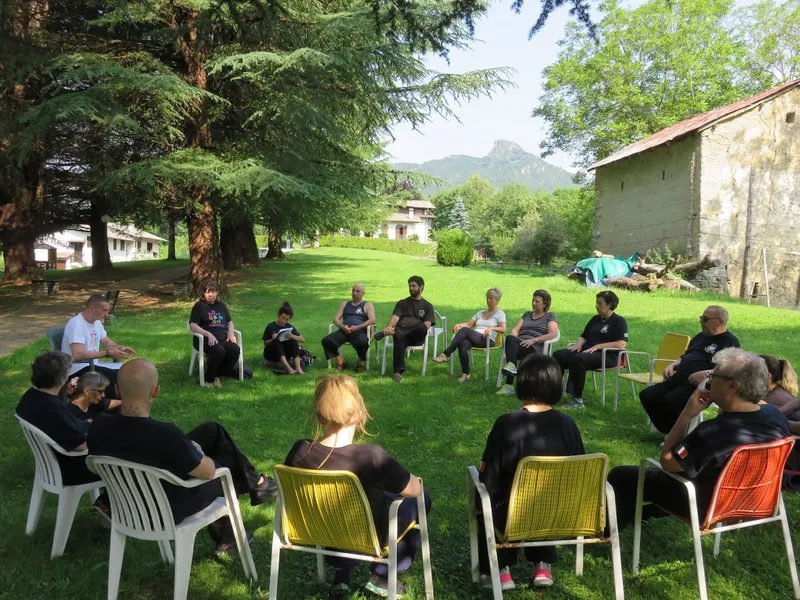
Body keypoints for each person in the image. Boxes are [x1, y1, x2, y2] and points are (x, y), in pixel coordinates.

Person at [86, 359, 278, 552]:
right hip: (163, 507)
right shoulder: (165, 435)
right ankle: (240, 515)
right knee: (223, 467)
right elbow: (208, 472)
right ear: (155, 392)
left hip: (126, 496)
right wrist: (198, 453)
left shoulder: (97, 427)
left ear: (118, 390)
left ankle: (254, 490)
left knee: (211, 431)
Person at [607, 348, 790, 532]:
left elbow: (668, 462)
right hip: (757, 499)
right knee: (689, 474)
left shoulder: (715, 432)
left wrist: (687, 413)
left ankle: (608, 532)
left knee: (622, 475)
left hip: (708, 506)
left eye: (713, 376)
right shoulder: (776, 417)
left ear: (732, 387)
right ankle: (642, 513)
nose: (709, 381)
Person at [284, 374, 432, 598]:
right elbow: (415, 490)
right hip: (367, 535)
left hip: (319, 528)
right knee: (421, 499)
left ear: (318, 415)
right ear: (359, 414)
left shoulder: (299, 451)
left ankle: (341, 578)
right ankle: (383, 574)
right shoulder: (371, 457)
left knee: (340, 508)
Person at [476, 354, 584, 590]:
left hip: (515, 512)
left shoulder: (506, 423)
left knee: (485, 496)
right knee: (546, 494)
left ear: (521, 383)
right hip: (562, 513)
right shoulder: (568, 425)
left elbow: (490, 476)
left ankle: (500, 569)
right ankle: (542, 565)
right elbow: (578, 469)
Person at [16, 351, 110, 523]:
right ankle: (109, 507)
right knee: (124, 458)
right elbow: (81, 446)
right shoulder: (52, 409)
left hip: (50, 462)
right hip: (69, 467)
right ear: (61, 380)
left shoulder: (31, 397)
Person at [640, 305, 739, 433]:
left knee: (671, 401)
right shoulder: (701, 336)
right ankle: (672, 431)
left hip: (700, 385)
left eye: (705, 319)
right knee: (648, 395)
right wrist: (674, 365)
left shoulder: (729, 341)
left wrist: (705, 374)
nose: (701, 321)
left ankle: (677, 433)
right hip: (678, 378)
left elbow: (728, 369)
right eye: (701, 318)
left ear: (720, 321)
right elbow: (687, 355)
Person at [552, 291, 628, 409]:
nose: (596, 306)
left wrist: (598, 346)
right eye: (596, 303)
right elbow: (584, 336)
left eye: (600, 303)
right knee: (558, 355)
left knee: (578, 360)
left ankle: (577, 400)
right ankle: (553, 390)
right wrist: (579, 344)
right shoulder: (595, 319)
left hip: (608, 355)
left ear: (610, 305)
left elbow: (621, 343)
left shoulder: (619, 321)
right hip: (588, 351)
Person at [61, 293, 137, 399]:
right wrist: (108, 353)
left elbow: (106, 342)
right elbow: (78, 354)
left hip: (92, 366)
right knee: (113, 378)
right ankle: (113, 409)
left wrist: (120, 348)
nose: (106, 314)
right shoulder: (77, 324)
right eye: (104, 310)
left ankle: (123, 407)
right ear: (93, 308)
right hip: (76, 369)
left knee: (125, 373)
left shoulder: (97, 323)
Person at [433, 288, 506, 383]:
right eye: (487, 298)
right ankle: (466, 374)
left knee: (464, 331)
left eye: (491, 299)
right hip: (476, 338)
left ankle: (445, 354)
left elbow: (503, 329)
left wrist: (492, 328)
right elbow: (468, 325)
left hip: (487, 340)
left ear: (497, 300)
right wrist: (459, 324)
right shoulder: (481, 312)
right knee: (463, 343)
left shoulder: (500, 314)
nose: (488, 301)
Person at [373, 275, 435, 383]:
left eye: (414, 286)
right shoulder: (402, 303)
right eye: (410, 286)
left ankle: (388, 332)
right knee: (399, 338)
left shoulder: (427, 306)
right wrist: (389, 326)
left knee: (419, 326)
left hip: (417, 335)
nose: (411, 288)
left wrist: (399, 328)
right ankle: (397, 373)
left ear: (421, 288)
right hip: (402, 335)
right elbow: (395, 317)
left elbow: (427, 324)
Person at [497, 289, 559, 395]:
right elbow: (515, 329)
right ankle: (511, 367)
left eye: (537, 301)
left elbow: (552, 334)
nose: (534, 303)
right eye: (533, 300)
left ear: (545, 304)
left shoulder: (550, 316)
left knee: (511, 345)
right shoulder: (527, 314)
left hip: (535, 347)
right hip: (521, 343)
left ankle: (509, 384)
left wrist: (534, 340)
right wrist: (514, 335)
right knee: (510, 338)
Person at [189, 281, 242, 388]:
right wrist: (208, 334)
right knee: (219, 351)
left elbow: (229, 322)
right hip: (204, 340)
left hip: (222, 339)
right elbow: (192, 325)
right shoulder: (199, 306)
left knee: (235, 349)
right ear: (203, 293)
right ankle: (209, 380)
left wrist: (231, 334)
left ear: (217, 293)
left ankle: (215, 374)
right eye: (208, 292)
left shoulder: (221, 306)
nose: (210, 295)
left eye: (213, 292)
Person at [321, 283, 376, 373]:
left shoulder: (367, 305)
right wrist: (342, 326)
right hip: (344, 331)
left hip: (359, 331)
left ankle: (359, 362)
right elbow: (336, 319)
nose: (355, 293)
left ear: (363, 293)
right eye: (353, 290)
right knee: (326, 340)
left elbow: (372, 320)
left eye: (358, 291)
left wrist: (357, 327)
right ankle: (341, 361)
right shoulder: (345, 304)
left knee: (363, 342)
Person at [263, 301, 306, 375]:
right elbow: (265, 343)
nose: (284, 321)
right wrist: (272, 339)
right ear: (279, 315)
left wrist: (293, 336)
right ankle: (289, 368)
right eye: (283, 318)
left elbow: (302, 339)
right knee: (277, 341)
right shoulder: (271, 326)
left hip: (285, 352)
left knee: (294, 341)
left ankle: (298, 368)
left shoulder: (289, 326)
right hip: (272, 353)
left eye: (286, 319)